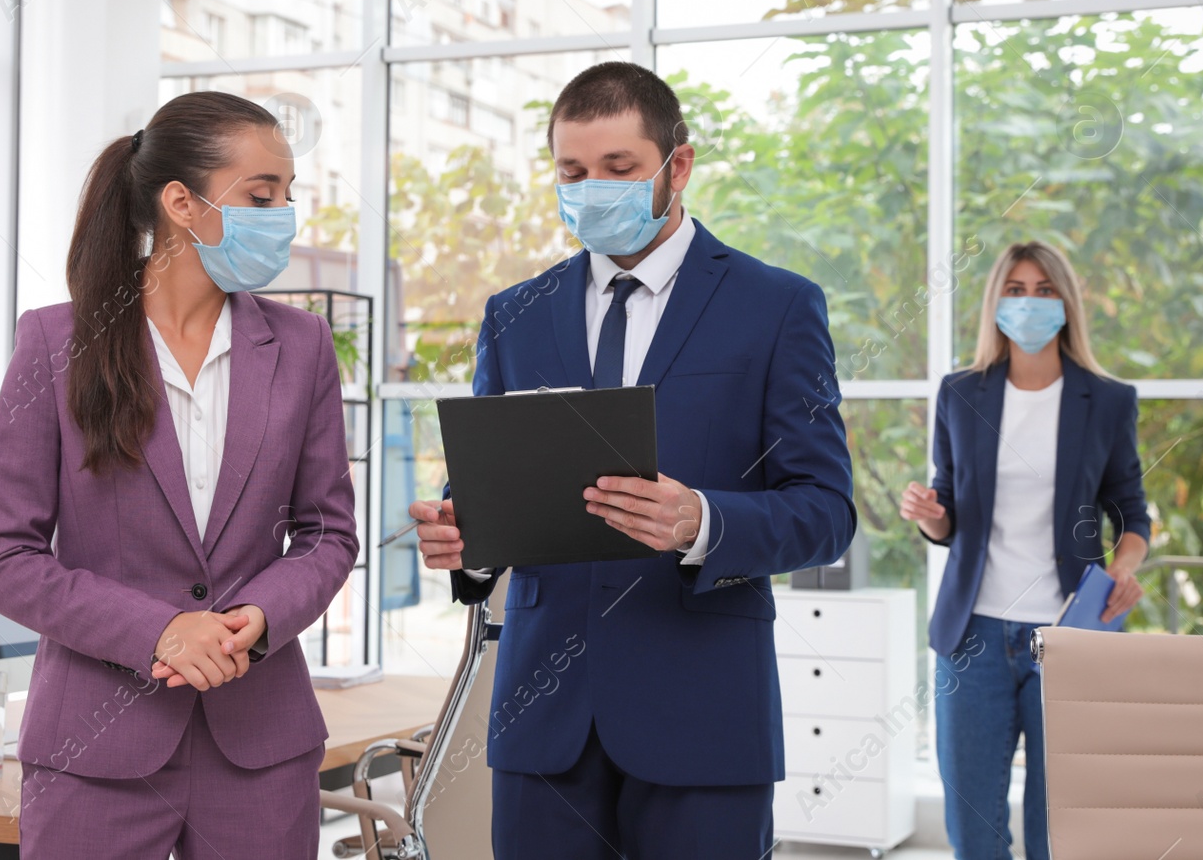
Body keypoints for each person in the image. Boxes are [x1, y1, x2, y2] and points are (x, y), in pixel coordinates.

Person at [409, 61, 856, 858]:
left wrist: (705, 520)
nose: (592, 190)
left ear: (676, 166)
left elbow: (826, 510)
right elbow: (483, 489)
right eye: (572, 172)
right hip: (542, 725)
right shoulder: (514, 315)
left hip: (704, 720)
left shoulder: (777, 306)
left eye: (619, 169)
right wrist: (462, 539)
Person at [0, 91, 359, 860]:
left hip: (260, 745)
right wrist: (161, 630)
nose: (283, 213)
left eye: (287, 193)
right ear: (181, 201)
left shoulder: (304, 344)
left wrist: (261, 616)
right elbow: (1, 556)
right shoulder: (56, 341)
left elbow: (328, 532)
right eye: (261, 193)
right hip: (94, 748)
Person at [900, 240, 1149, 860]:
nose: (1030, 303)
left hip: (1069, 634)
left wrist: (1124, 568)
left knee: (1058, 831)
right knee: (974, 831)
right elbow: (949, 516)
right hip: (973, 636)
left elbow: (1132, 513)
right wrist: (932, 516)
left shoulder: (1108, 400)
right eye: (1015, 290)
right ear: (995, 302)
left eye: (1044, 290)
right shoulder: (961, 393)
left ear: (1066, 303)